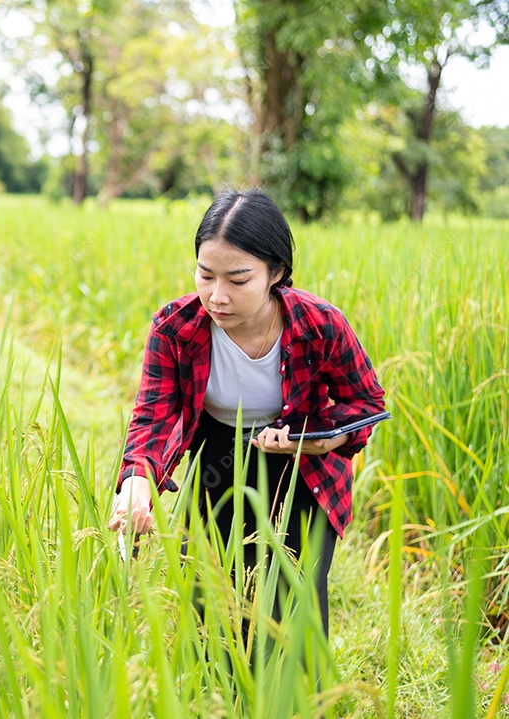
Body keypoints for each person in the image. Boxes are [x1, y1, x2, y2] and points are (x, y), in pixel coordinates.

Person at [106, 189, 386, 639]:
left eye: (238, 280)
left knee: (288, 613)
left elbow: (367, 404)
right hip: (219, 457)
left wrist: (323, 439)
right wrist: (137, 481)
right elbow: (153, 415)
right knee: (206, 601)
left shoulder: (320, 324)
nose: (217, 297)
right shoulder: (176, 326)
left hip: (302, 467)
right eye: (205, 275)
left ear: (276, 273)